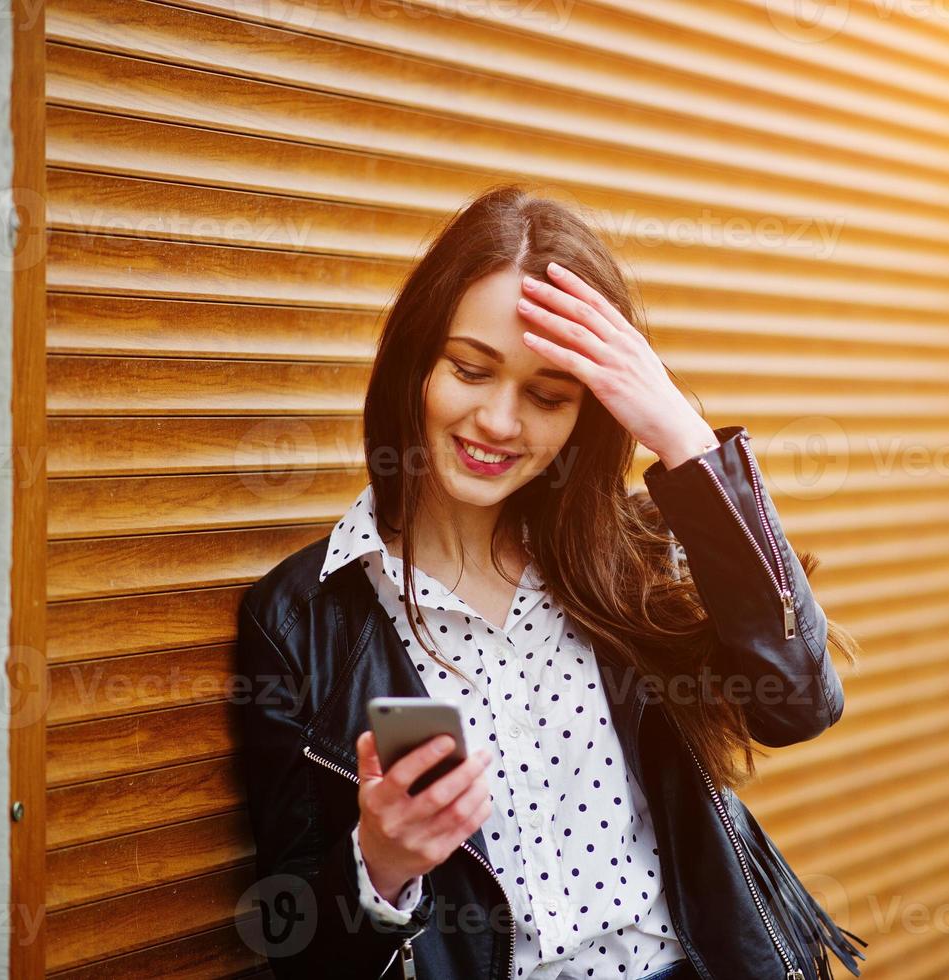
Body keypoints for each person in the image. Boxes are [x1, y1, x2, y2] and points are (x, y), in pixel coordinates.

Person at [236, 184, 867, 980]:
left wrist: (682, 438)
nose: (500, 422)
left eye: (547, 395)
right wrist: (381, 863)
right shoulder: (301, 617)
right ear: (415, 364)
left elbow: (798, 704)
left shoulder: (631, 553)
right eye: (471, 369)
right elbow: (293, 939)